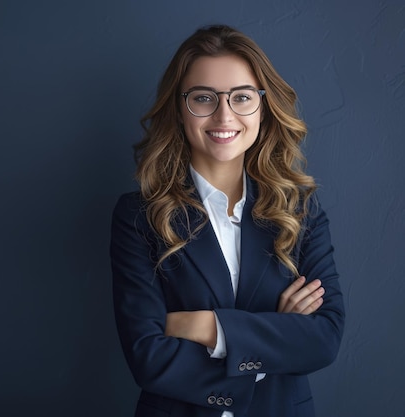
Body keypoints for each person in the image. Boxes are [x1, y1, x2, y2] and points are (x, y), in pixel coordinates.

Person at [110, 24, 345, 417]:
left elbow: (325, 339)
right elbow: (149, 358)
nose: (224, 115)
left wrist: (207, 327)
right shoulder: (139, 216)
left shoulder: (300, 211)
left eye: (241, 98)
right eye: (203, 98)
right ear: (180, 109)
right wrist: (275, 336)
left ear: (263, 107)